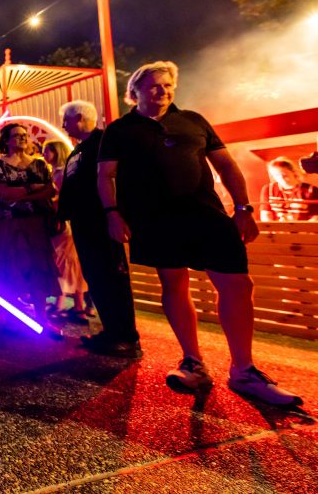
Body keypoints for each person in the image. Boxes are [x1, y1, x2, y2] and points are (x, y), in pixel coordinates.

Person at [98, 61, 302, 406]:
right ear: (135, 91)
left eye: (168, 85)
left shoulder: (193, 120)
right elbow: (105, 176)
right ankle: (193, 362)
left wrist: (243, 209)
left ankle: (244, 370)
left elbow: (226, 165)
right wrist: (112, 213)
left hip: (207, 214)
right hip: (155, 220)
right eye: (154, 85)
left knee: (238, 284)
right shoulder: (119, 130)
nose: (163, 91)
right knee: (174, 283)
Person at [58, 100, 141, 358]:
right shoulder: (79, 148)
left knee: (112, 277)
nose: (63, 125)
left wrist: (114, 213)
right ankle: (111, 332)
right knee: (96, 276)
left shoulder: (104, 142)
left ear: (80, 118)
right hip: (83, 222)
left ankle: (126, 337)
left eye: (66, 120)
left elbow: (114, 179)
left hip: (101, 221)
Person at [0, 123, 62, 337]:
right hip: (9, 224)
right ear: (6, 140)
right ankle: (12, 318)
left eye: (24, 135)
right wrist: (32, 188)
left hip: (35, 223)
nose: (22, 138)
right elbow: (4, 194)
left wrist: (20, 193)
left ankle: (42, 318)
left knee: (38, 268)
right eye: (16, 135)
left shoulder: (39, 164)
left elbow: (48, 191)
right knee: (10, 268)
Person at [42, 139, 89, 323]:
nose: (44, 154)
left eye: (48, 151)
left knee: (63, 262)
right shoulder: (56, 171)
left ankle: (64, 304)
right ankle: (76, 306)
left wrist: (48, 199)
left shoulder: (61, 173)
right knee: (69, 263)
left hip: (61, 223)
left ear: (57, 152)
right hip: (60, 221)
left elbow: (63, 198)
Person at [259, 157, 318, 222]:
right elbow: (265, 216)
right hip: (277, 227)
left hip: (303, 227)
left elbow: (315, 218)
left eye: (284, 175)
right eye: (277, 175)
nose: (281, 178)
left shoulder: (311, 190)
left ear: (294, 172)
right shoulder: (268, 189)